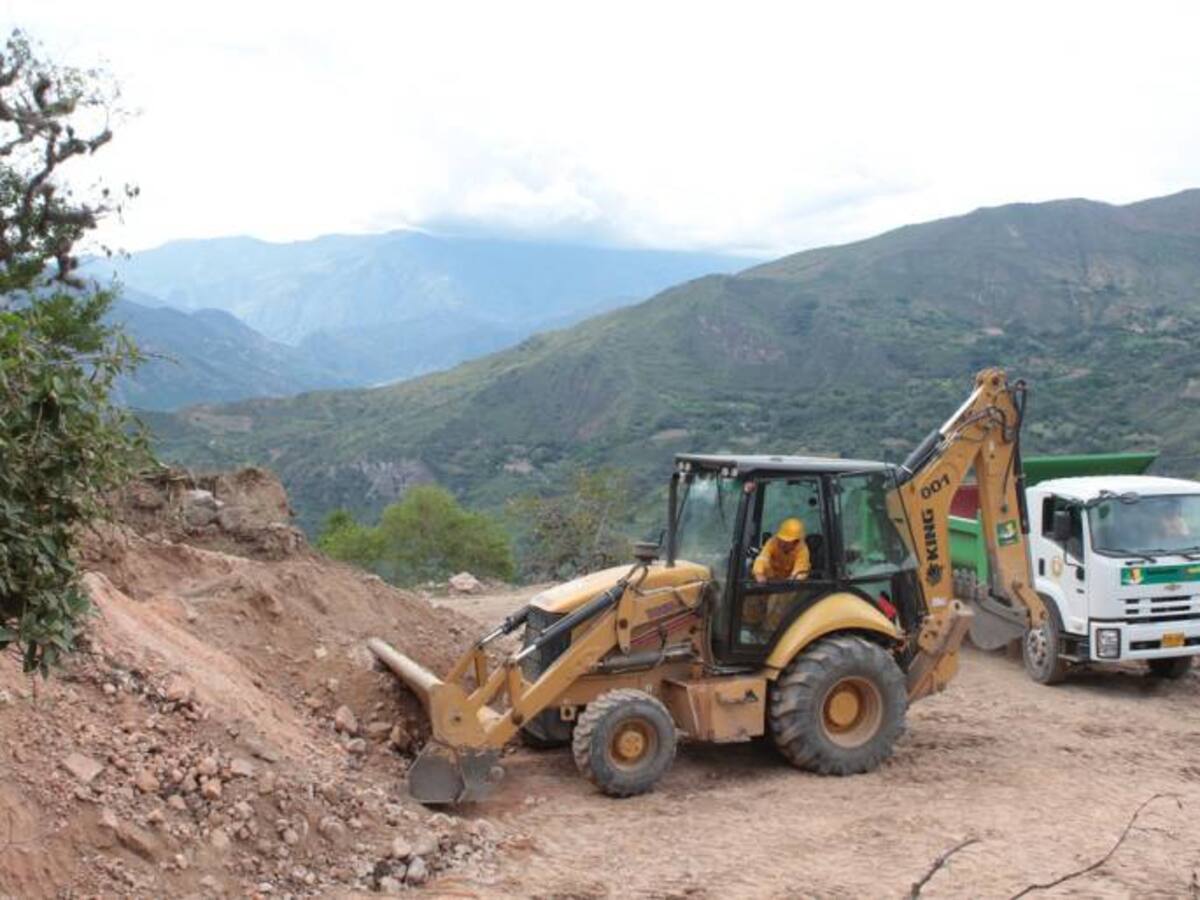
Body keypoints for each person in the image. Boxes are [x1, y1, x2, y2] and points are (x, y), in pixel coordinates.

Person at [753, 517, 812, 583]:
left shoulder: (802, 550)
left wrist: (791, 581)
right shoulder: (772, 542)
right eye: (781, 539)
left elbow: (799, 572)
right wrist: (759, 574)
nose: (782, 544)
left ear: (796, 542)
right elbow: (762, 558)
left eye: (786, 542)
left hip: (792, 586)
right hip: (770, 582)